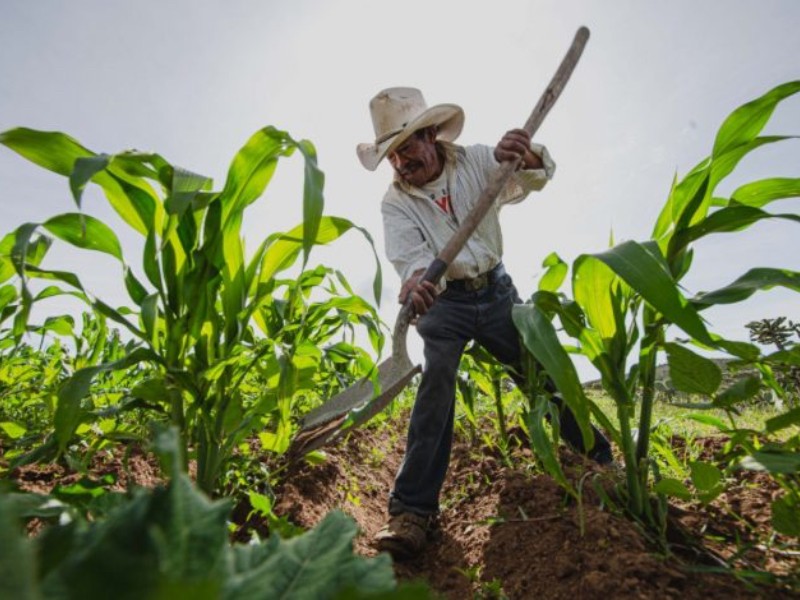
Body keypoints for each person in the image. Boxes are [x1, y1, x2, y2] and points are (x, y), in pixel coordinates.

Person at [356, 87, 613, 560]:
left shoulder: (475, 161)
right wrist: (416, 283)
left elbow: (535, 175)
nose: (399, 162)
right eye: (391, 155)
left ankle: (600, 460)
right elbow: (409, 257)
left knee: (540, 375)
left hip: (495, 292)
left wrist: (523, 153)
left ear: (431, 135)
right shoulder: (396, 202)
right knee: (435, 387)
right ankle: (411, 512)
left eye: (406, 147)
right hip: (444, 306)